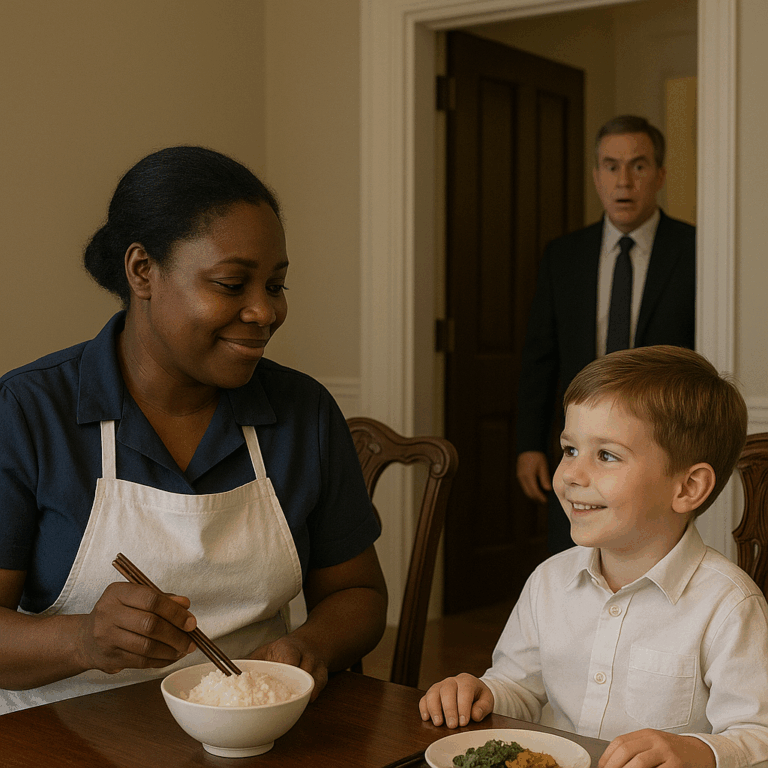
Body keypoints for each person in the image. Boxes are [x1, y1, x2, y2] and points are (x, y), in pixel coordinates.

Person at [0, 146, 387, 714]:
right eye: (232, 285)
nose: (265, 312)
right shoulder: (29, 413)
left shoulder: (303, 411)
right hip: (58, 736)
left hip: (254, 736)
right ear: (142, 272)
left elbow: (358, 594)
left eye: (275, 286)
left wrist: (308, 646)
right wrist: (83, 640)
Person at [421, 346, 768, 768]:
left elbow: (757, 734)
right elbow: (520, 687)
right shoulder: (549, 580)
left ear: (688, 488)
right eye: (569, 449)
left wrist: (701, 752)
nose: (571, 475)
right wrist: (483, 692)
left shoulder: (730, 606)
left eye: (606, 455)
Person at [516, 115, 696, 554]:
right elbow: (540, 356)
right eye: (611, 166)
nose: (624, 181)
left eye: (638, 166)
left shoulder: (695, 249)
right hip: (580, 441)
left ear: (659, 175)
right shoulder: (564, 255)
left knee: (652, 557)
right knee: (573, 557)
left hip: (662, 442)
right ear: (596, 176)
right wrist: (528, 445)